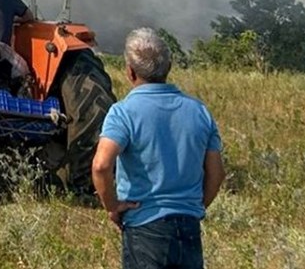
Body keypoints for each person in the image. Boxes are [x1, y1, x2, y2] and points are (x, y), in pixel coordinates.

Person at [92, 28, 226, 269]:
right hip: (188, 227)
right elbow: (217, 174)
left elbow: (101, 165)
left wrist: (112, 206)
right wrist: (193, 206)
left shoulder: (123, 113)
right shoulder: (199, 111)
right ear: (169, 66)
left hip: (144, 227)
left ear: (130, 71)